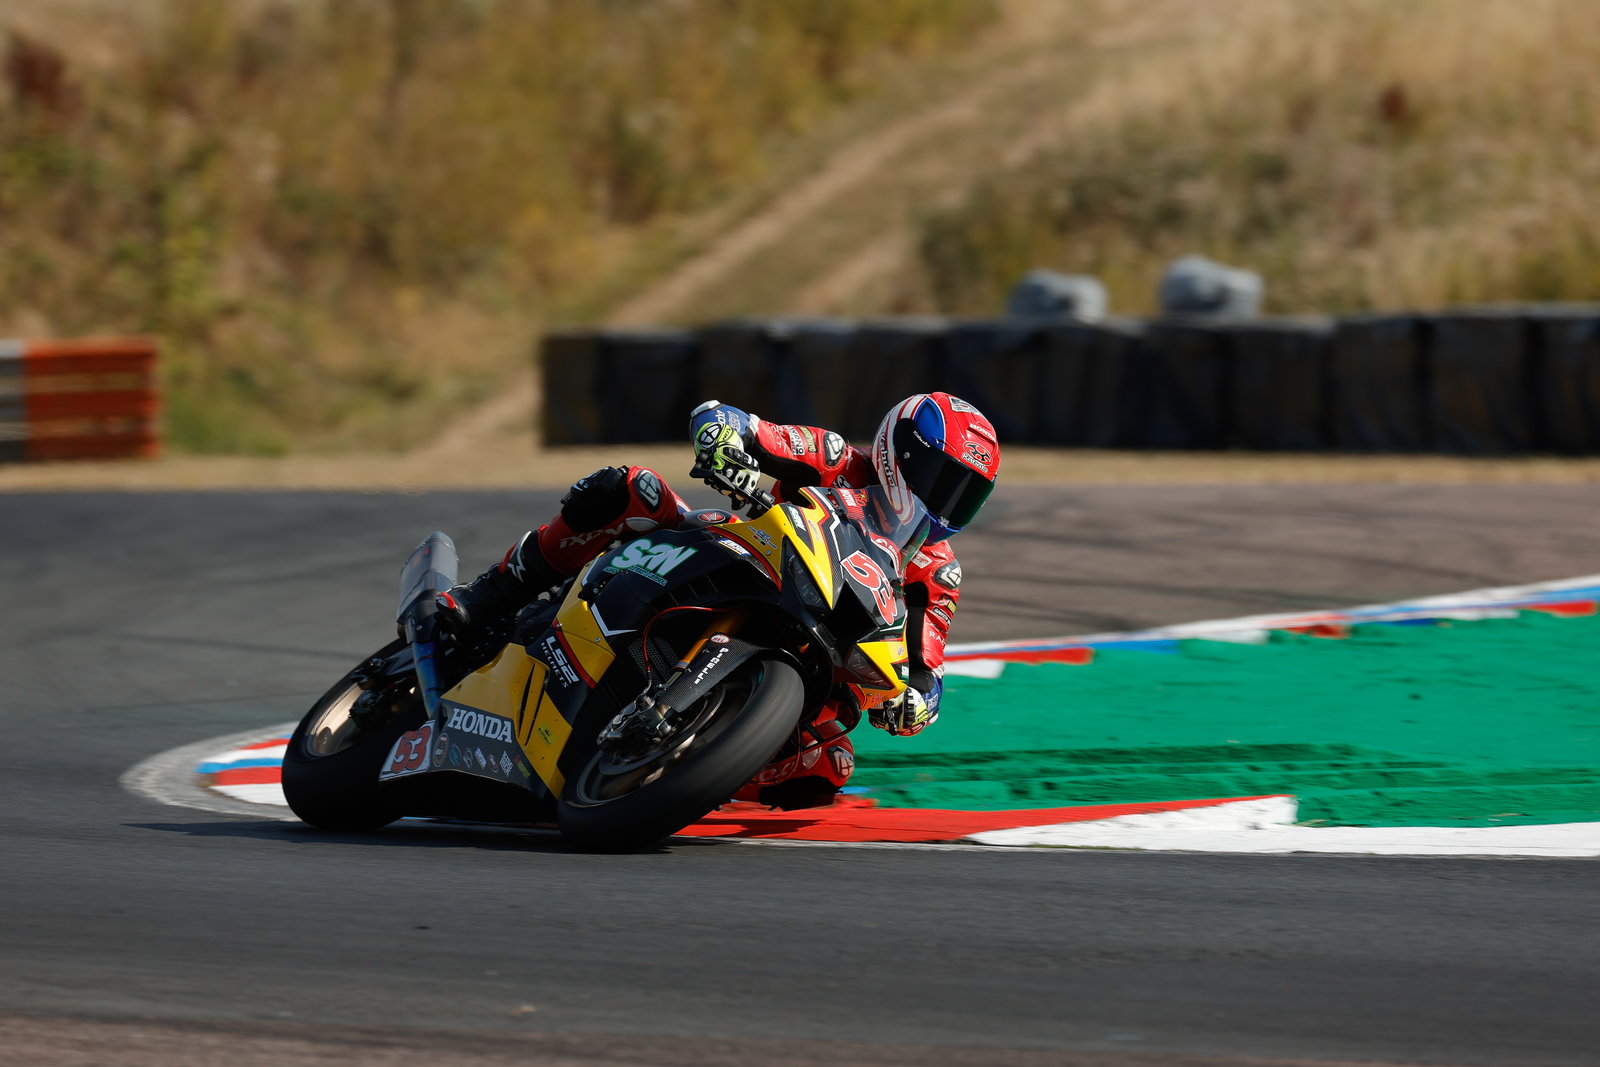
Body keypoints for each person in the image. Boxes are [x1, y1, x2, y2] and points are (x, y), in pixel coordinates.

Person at [437, 392, 1001, 803]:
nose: (946, 504)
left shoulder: (938, 572)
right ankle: (487, 597)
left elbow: (928, 663)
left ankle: (689, 763)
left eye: (964, 496)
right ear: (899, 453)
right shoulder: (834, 459)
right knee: (630, 490)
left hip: (818, 653)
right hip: (738, 561)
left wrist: (918, 701)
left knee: (827, 767)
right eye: (938, 478)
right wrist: (724, 442)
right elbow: (732, 421)